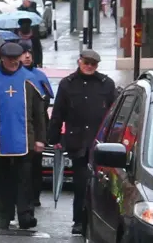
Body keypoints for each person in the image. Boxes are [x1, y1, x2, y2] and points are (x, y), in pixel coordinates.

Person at [0, 42, 46, 230]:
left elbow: (39, 113)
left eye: (16, 59)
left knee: (25, 180)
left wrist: (40, 138)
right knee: (0, 181)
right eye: (10, 59)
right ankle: (3, 215)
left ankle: (25, 214)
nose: (14, 62)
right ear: (2, 59)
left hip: (25, 139)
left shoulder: (30, 79)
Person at [47, 50, 116, 235]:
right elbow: (58, 113)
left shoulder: (106, 84)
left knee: (101, 185)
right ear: (79, 61)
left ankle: (100, 220)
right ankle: (79, 220)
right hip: (77, 141)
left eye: (93, 64)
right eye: (86, 62)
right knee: (80, 184)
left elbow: (114, 113)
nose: (89, 66)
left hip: (100, 143)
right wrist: (53, 138)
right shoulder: (67, 84)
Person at [20, 44, 54, 207]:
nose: (27, 56)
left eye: (29, 53)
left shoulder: (39, 75)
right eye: (23, 53)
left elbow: (47, 97)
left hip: (36, 124)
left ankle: (34, 196)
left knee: (35, 165)